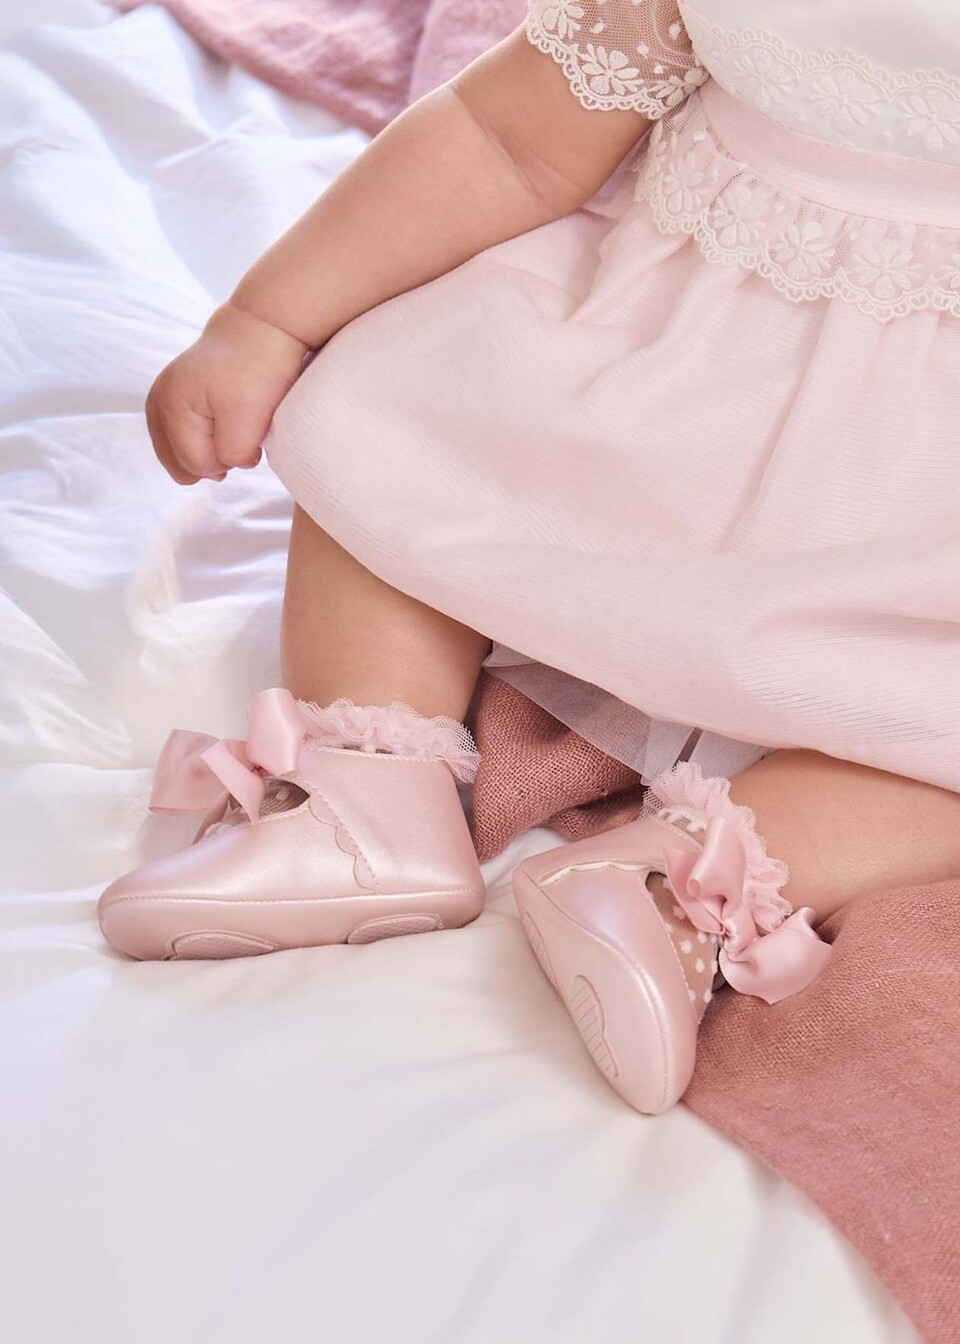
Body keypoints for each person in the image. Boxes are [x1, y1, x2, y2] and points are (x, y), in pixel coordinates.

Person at [99, 0, 960, 1113]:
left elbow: (507, 139)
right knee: (384, 415)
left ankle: (625, 869)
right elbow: (506, 131)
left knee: (403, 428)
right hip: (812, 478)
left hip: (666, 399)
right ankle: (537, 845)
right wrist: (265, 321)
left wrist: (269, 320)